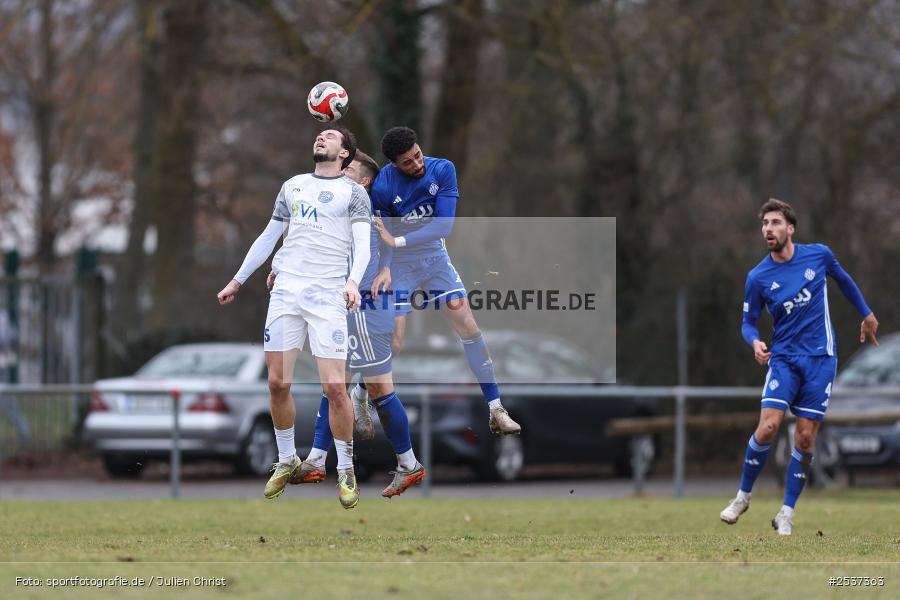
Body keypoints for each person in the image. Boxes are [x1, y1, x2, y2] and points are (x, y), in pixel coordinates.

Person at [217, 127, 371, 509]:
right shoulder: (293, 186)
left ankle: (346, 470)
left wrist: (353, 282)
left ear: (345, 154)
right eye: (318, 134)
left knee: (335, 387)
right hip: (287, 290)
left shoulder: (354, 193)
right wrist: (238, 279)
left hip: (328, 295)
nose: (321, 138)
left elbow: (364, 247)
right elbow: (269, 236)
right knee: (276, 383)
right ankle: (287, 460)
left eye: (331, 136)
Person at [267, 151, 426, 498]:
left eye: (349, 169)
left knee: (377, 386)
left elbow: (394, 246)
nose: (340, 172)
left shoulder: (366, 211)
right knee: (334, 383)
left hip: (366, 307)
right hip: (347, 306)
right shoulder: (340, 208)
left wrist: (388, 279)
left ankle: (408, 463)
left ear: (364, 181)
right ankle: (319, 459)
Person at [720, 198, 878, 535]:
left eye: (775, 223)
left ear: (790, 228)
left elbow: (845, 282)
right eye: (765, 224)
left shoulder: (818, 255)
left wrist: (866, 313)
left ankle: (786, 513)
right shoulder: (758, 277)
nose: (768, 229)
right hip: (784, 360)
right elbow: (748, 322)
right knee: (768, 428)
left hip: (821, 359)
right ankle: (742, 496)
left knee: (805, 438)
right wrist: (754, 341)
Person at [366, 126, 521, 435]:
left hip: (434, 259)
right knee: (393, 341)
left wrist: (397, 242)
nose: (417, 164)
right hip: (400, 266)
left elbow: (443, 227)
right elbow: (382, 236)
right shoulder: (382, 186)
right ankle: (359, 395)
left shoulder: (442, 169)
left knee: (467, 324)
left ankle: (495, 409)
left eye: (418, 155)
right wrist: (384, 266)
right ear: (394, 164)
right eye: (408, 162)